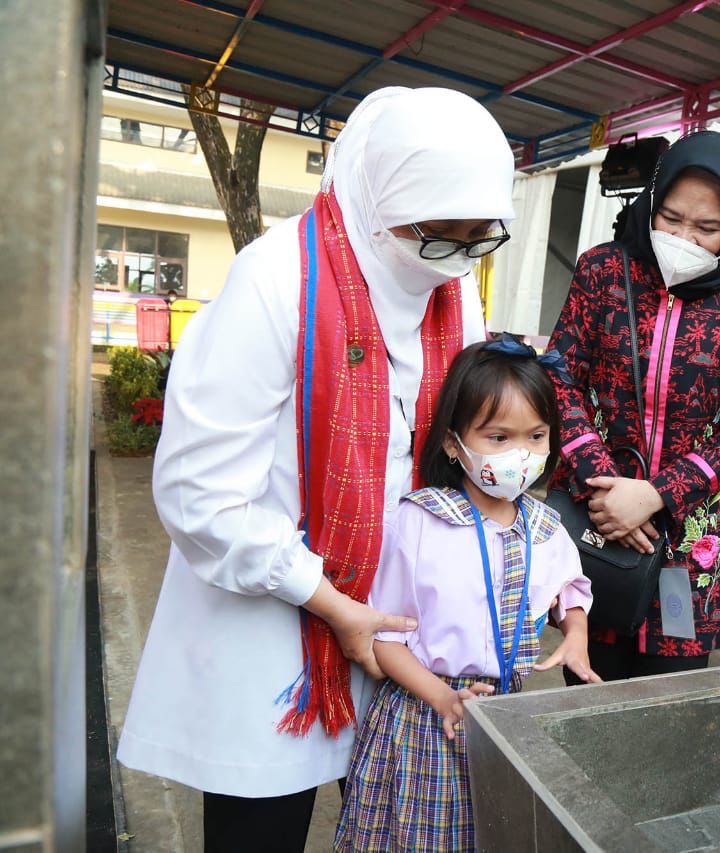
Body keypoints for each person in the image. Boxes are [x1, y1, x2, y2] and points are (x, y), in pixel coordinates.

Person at [116, 87, 516, 852]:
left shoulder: (454, 294)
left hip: (393, 625)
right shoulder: (277, 280)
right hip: (270, 620)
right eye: (439, 234)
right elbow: (200, 494)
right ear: (378, 202)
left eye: (479, 238)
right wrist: (328, 599)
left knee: (393, 823)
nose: (457, 259)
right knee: (262, 826)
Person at [335, 338, 597, 851]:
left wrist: (577, 633)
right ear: (455, 444)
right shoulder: (420, 521)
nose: (520, 454)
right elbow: (386, 638)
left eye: (536, 436)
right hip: (424, 722)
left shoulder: (546, 528)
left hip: (504, 719)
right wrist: (442, 697)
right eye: (498, 437)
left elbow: (571, 588)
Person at [549, 130, 720, 680]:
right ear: (650, 202)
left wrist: (656, 495)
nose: (683, 238)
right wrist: (607, 489)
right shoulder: (602, 271)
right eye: (670, 218)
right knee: (587, 685)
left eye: (706, 228)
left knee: (668, 697)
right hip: (597, 518)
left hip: (691, 537)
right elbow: (558, 379)